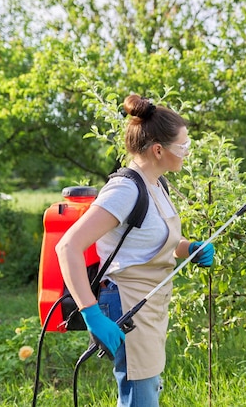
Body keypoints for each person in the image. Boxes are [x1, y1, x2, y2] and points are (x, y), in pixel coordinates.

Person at [56, 94, 214, 406]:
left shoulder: (157, 184)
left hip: (149, 304)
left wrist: (189, 249)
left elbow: (149, 243)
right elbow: (68, 247)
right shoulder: (126, 190)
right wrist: (90, 313)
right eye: (183, 147)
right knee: (140, 399)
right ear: (158, 150)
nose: (187, 153)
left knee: (144, 392)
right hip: (126, 304)